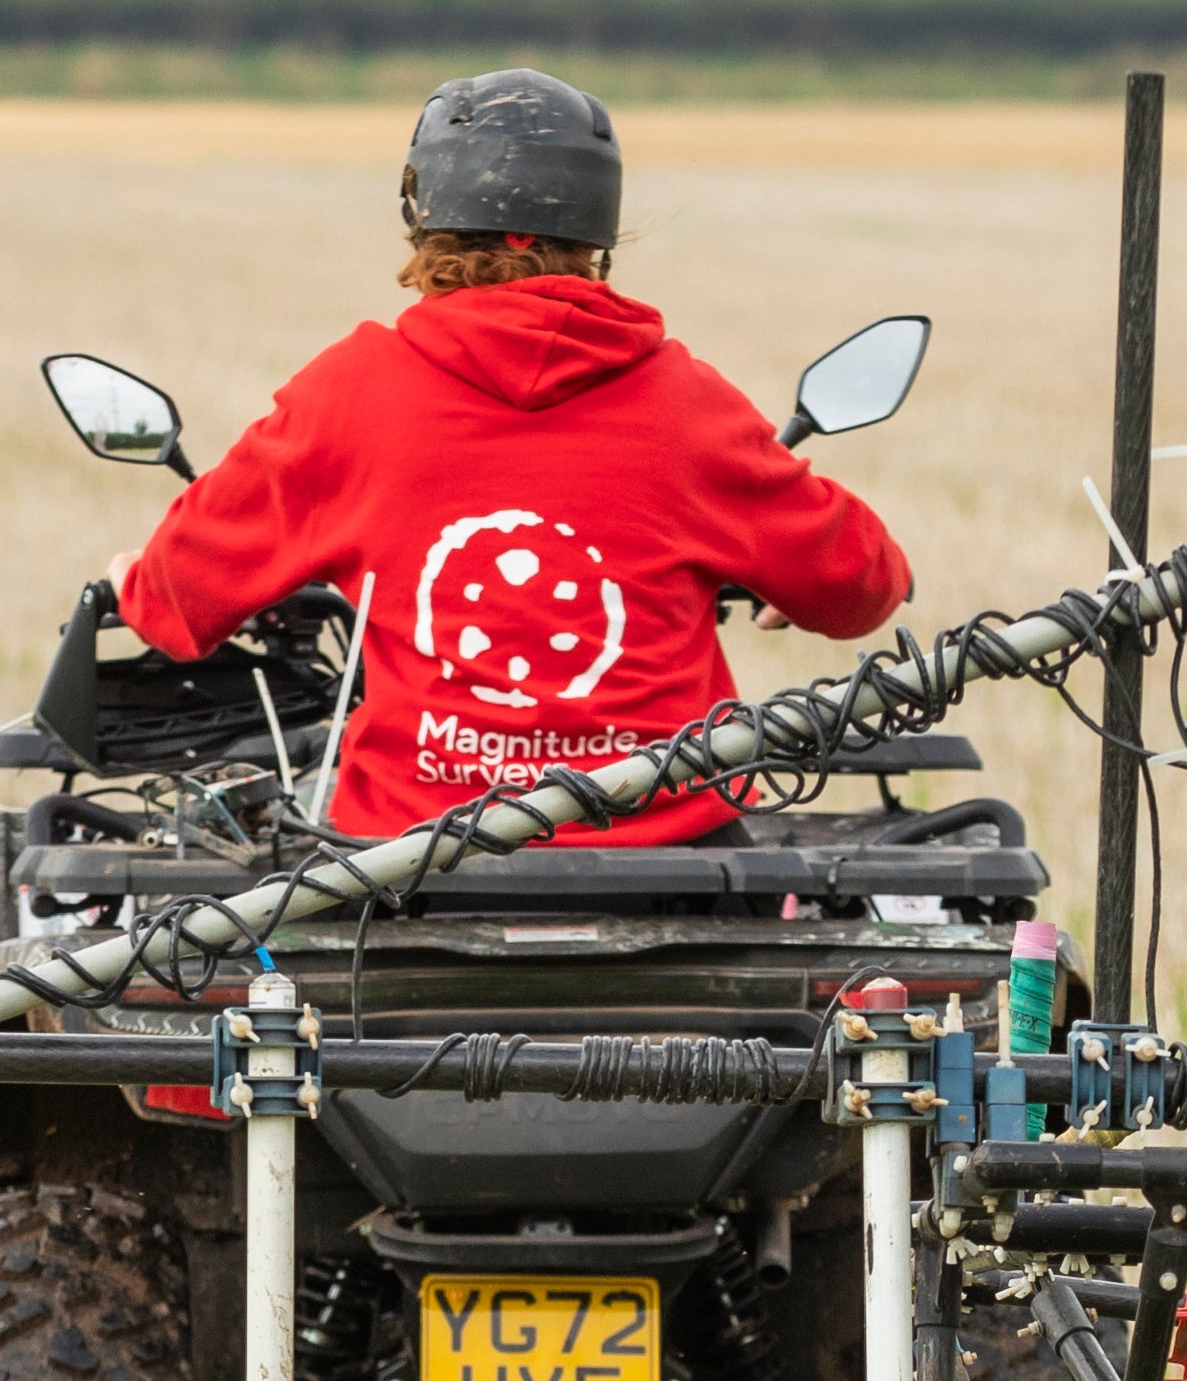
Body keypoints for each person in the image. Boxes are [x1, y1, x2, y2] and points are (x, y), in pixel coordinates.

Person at [115, 70, 913, 843]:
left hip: (404, 867)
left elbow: (173, 604)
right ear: (598, 233)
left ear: (424, 214)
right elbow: (862, 590)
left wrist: (135, 582)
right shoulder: (688, 405)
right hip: (667, 858)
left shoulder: (348, 394)